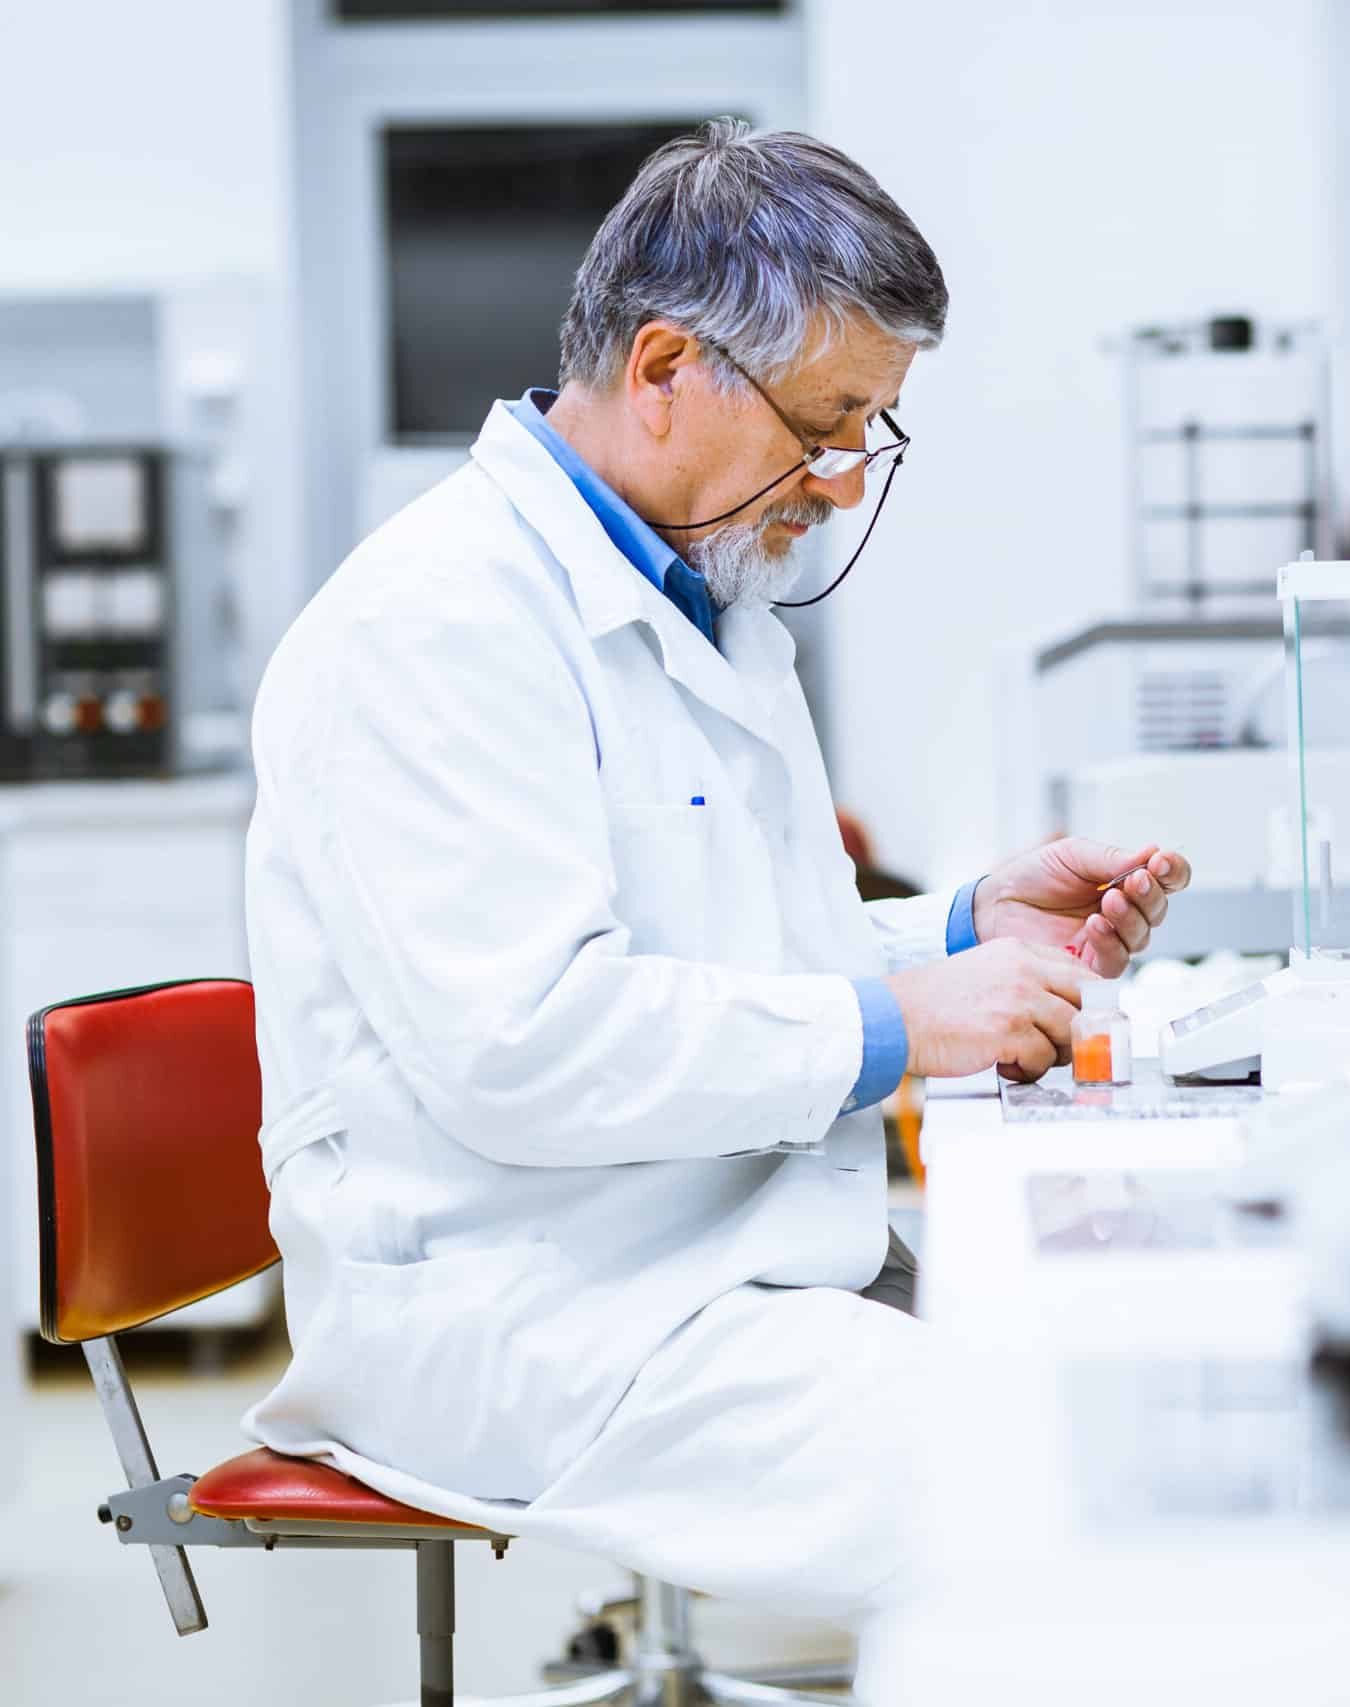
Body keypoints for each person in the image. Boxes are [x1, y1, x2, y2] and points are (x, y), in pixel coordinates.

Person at [240, 119, 1190, 1616]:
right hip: (543, 1313)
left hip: (722, 1256)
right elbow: (529, 1046)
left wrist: (958, 930)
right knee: (1055, 1514)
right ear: (669, 368)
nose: (843, 482)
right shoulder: (431, 628)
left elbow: (736, 956)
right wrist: (904, 1025)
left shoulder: (706, 607)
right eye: (822, 427)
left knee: (1153, 1401)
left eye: (870, 432)